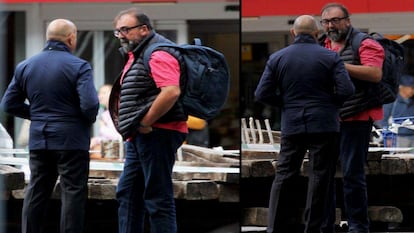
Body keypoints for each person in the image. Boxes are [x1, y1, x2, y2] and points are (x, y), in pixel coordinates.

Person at [255, 15, 354, 233]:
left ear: (293, 33)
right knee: (320, 176)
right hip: (324, 123)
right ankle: (313, 228)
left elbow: (262, 93)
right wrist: (330, 105)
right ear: (317, 34)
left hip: (292, 123)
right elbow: (347, 90)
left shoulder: (278, 58)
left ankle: (275, 227)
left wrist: (285, 104)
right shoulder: (330, 57)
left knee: (284, 175)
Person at [0, 18, 99, 233]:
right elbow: (90, 105)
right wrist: (81, 120)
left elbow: (8, 104)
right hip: (71, 140)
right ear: (71, 38)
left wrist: (36, 115)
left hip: (39, 140)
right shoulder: (79, 66)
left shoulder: (26, 65)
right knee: (72, 192)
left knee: (36, 190)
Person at [108, 7, 188, 233]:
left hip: (158, 132)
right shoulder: (138, 54)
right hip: (140, 135)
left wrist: (145, 121)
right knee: (128, 193)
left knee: (157, 197)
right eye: (118, 31)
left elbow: (171, 91)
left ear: (144, 29)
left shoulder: (157, 53)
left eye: (125, 29)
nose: (121, 35)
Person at [319, 3, 385, 233]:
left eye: (335, 20)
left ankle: (358, 226)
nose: (330, 25)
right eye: (326, 22)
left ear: (347, 20)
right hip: (329, 119)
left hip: (357, 117)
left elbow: (375, 73)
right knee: (323, 175)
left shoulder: (365, 43)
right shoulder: (322, 44)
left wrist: (339, 65)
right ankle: (326, 224)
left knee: (352, 174)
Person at [90, 84, 122, 158]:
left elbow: (118, 137)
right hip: (110, 150)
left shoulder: (118, 113)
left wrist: (97, 140)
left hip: (117, 152)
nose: (100, 96)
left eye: (104, 93)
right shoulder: (104, 115)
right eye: (99, 93)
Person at [382, 74, 414, 147]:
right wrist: (388, 136)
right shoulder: (393, 99)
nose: (412, 91)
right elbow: (384, 119)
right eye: (410, 87)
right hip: (398, 136)